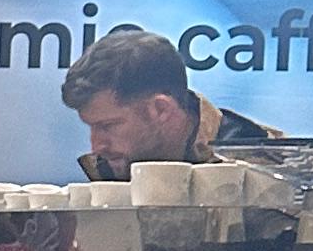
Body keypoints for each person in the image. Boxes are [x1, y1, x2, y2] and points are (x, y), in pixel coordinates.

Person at [62, 22, 283, 175]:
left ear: (161, 109)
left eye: (108, 126)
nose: (96, 146)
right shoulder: (113, 163)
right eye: (91, 127)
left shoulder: (273, 170)